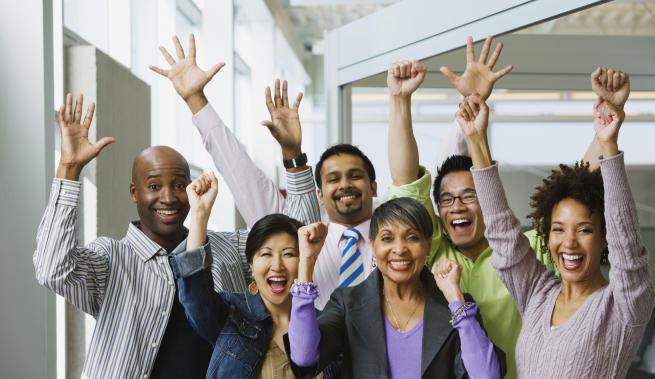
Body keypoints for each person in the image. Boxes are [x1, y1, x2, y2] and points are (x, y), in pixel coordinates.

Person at [150, 34, 476, 309]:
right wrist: (196, 100)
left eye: (356, 175)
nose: (345, 184)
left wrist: (471, 112)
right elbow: (239, 173)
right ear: (319, 193)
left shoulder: (398, 239)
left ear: (375, 186)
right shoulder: (300, 235)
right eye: (333, 179)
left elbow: (420, 180)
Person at [33, 94, 319, 379]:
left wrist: (293, 154)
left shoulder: (227, 249)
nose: (168, 197)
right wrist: (68, 169)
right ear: (134, 193)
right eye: (154, 186)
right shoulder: (111, 258)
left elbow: (300, 234)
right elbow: (51, 269)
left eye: (179, 185)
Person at [459, 69, 655, 379]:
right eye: (558, 230)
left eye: (585, 230)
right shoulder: (538, 295)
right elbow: (505, 237)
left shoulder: (623, 306)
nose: (569, 243)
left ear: (605, 236)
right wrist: (476, 139)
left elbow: (627, 244)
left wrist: (609, 146)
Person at [386, 36, 524, 379]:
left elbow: (579, 192)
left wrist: (606, 140)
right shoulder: (429, 252)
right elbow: (406, 184)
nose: (457, 207)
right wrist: (400, 100)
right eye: (446, 200)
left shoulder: (523, 253)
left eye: (469, 196)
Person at [285, 197, 505, 379]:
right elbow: (304, 357)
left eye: (412, 237)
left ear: (428, 244)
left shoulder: (456, 306)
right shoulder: (348, 303)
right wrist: (307, 262)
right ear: (373, 245)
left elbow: (485, 378)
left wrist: (456, 299)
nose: (400, 249)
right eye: (387, 238)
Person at [167, 172, 336, 379]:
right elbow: (195, 298)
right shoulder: (233, 316)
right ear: (251, 265)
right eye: (265, 254)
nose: (277, 265)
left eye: (289, 254)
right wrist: (199, 214)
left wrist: (308, 260)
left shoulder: (325, 324)